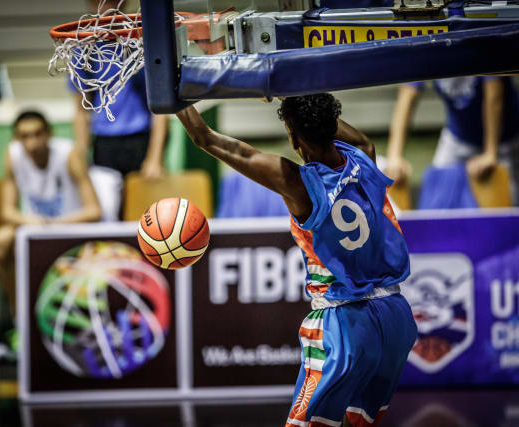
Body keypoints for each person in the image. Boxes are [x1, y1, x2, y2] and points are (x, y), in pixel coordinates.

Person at [176, 94, 417, 427]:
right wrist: (293, 92)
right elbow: (334, 127)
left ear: (293, 138)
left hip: (344, 321)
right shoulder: (364, 154)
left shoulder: (298, 183)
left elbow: (205, 138)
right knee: (359, 423)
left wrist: (169, 89)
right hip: (395, 317)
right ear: (333, 124)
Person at [0, 110, 101, 317]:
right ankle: (19, 317)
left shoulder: (69, 154)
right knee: (1, 240)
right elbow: (6, 211)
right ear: (16, 139)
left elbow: (94, 211)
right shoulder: (13, 155)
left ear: (49, 134)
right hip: (35, 231)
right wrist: (31, 222)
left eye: (37, 134)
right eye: (24, 136)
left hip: (70, 231)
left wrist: (51, 224)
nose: (32, 143)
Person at [385, 76, 519, 205]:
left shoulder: (478, 44)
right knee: (437, 197)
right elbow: (407, 96)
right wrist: (394, 156)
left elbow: (494, 93)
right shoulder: (427, 50)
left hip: (511, 137)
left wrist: (490, 152)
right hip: (458, 138)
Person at [71, 0, 169, 184]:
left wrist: (155, 157)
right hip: (103, 141)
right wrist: (82, 153)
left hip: (139, 139)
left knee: (142, 200)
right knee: (105, 199)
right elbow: (81, 111)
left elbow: (160, 110)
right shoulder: (84, 48)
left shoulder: (141, 44)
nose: (105, 4)